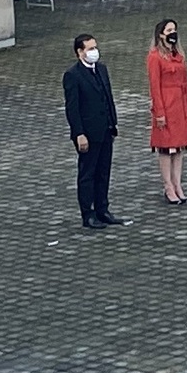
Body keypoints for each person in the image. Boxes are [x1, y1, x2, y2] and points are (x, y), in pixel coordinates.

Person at [62, 33, 124, 231]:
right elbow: (73, 107)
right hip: (88, 133)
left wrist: (113, 123)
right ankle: (87, 213)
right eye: (89, 49)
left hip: (105, 129)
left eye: (95, 47)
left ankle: (102, 209)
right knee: (88, 173)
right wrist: (79, 133)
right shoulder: (73, 75)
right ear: (80, 52)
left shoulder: (102, 70)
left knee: (103, 172)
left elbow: (108, 97)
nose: (94, 52)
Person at [147, 19, 187, 204]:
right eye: (169, 30)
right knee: (167, 148)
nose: (173, 33)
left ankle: (178, 184)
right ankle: (168, 185)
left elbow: (186, 80)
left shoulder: (178, 55)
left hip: (180, 105)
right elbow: (154, 86)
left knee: (180, 147)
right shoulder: (155, 57)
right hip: (166, 105)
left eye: (174, 29)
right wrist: (159, 112)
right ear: (161, 34)